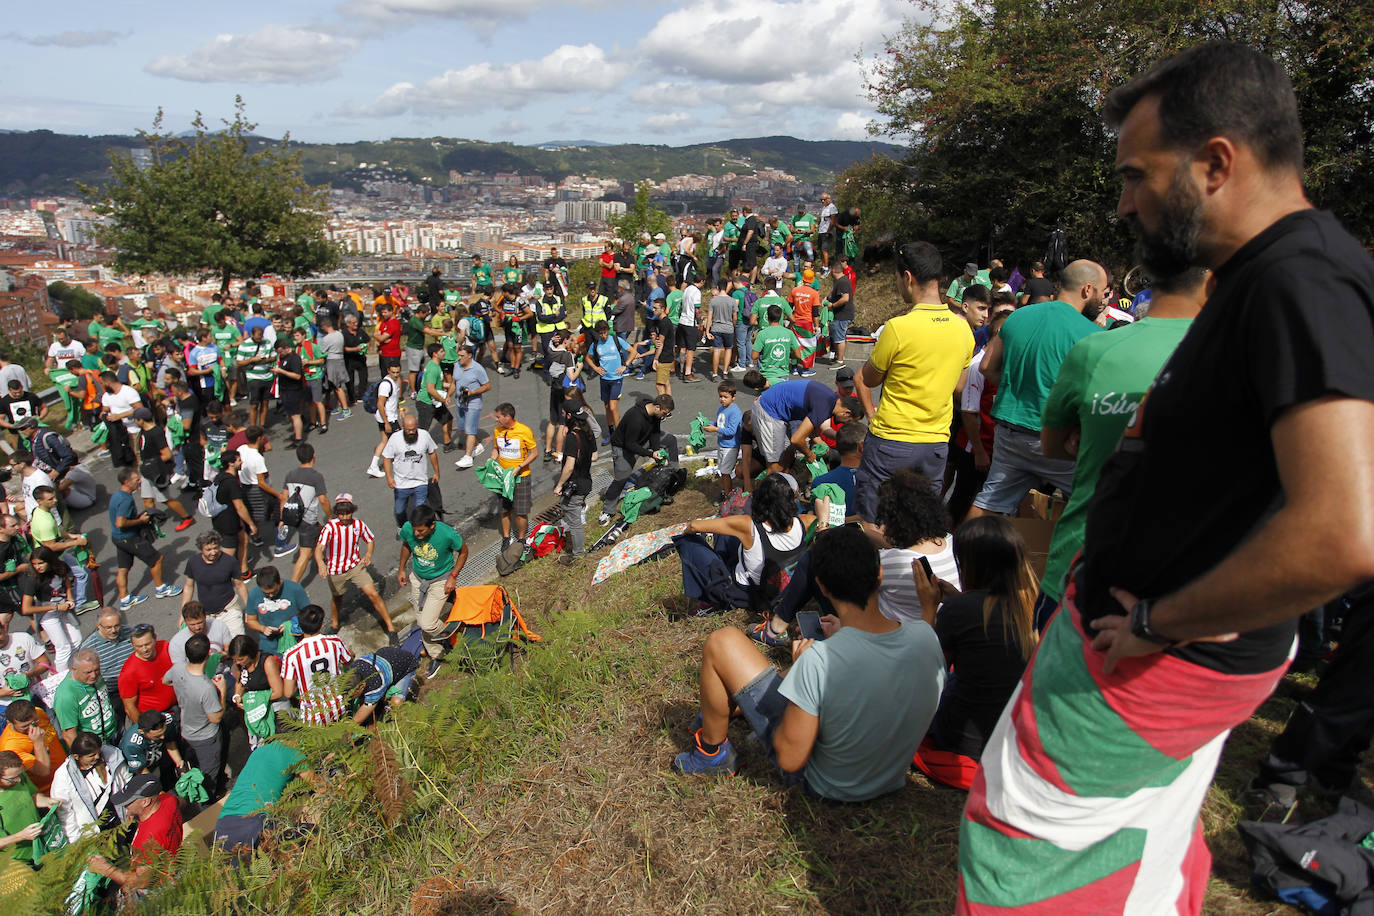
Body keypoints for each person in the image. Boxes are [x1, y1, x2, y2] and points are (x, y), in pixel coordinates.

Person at [956, 43, 1374, 915]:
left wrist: (1158, 620)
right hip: (1154, 638)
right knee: (1139, 831)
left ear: (1217, 162)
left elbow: (1342, 530)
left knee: (1025, 848)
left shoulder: (1303, 280)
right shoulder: (1263, 281)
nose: (1123, 202)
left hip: (1158, 650)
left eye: (1138, 175)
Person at [672, 524, 945, 801]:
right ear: (880, 574)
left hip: (825, 784)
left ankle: (711, 754)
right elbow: (901, 644)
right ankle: (725, 710)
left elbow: (790, 759)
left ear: (823, 588)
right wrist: (929, 608)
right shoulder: (927, 637)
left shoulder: (818, 662)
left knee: (723, 642)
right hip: (889, 778)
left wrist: (801, 672)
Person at [1035, 266, 1207, 628]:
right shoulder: (1239, 352)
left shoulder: (1095, 349)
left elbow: (1051, 445)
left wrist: (1098, 438)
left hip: (1084, 553)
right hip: (1190, 579)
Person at [966, 259, 1108, 519]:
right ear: (1087, 290)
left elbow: (986, 366)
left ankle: (961, 557)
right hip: (1055, 438)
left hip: (1009, 431)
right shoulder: (1092, 335)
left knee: (988, 503)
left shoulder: (1018, 315)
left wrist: (1017, 386)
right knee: (1095, 502)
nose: (1103, 300)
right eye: (1102, 292)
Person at [908, 516, 1038, 785]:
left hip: (965, 741)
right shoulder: (1034, 604)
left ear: (969, 565)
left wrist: (929, 608)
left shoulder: (961, 610)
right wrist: (959, 600)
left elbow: (924, 677)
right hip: (1016, 738)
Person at [852, 242, 975, 520]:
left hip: (891, 439)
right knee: (921, 518)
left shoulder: (898, 328)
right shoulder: (962, 327)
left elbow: (869, 379)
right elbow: (959, 387)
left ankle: (881, 562)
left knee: (874, 516)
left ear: (907, 277)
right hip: (935, 444)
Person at [672, 473, 810, 620]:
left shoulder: (747, 525)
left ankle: (713, 601)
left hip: (744, 595)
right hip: (777, 592)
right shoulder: (805, 522)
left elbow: (694, 526)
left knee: (688, 542)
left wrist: (686, 532)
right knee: (724, 533)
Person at [398, 505, 467, 677]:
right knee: (422, 620)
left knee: (427, 623)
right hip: (418, 578)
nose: (417, 535)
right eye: (415, 530)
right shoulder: (408, 529)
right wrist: (401, 569)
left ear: (432, 526)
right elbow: (406, 545)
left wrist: (453, 576)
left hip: (441, 579)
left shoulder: (447, 534)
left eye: (421, 531)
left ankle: (455, 638)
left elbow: (464, 552)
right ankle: (438, 654)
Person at [315, 495, 396, 640]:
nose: (344, 517)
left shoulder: (358, 524)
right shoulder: (330, 528)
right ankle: (334, 624)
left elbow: (369, 539)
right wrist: (321, 563)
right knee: (337, 597)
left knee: (373, 594)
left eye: (347, 513)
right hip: (335, 570)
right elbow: (319, 548)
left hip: (355, 566)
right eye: (341, 514)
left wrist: (369, 554)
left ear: (353, 511)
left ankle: (390, 628)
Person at [87, 773, 183, 895]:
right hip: (173, 862)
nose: (125, 804)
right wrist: (137, 814)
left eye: (130, 801)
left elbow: (141, 882)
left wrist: (105, 869)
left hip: (159, 888)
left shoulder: (147, 840)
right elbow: (180, 803)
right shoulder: (168, 800)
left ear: (146, 802)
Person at [213, 737, 309, 856]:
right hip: (254, 822)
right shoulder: (295, 753)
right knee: (310, 835)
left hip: (223, 825)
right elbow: (321, 786)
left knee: (244, 872)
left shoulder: (258, 752)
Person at [747, 378, 860, 474]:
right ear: (846, 413)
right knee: (775, 464)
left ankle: (785, 487)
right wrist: (809, 454)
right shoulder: (824, 407)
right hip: (768, 410)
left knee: (788, 453)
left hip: (779, 412)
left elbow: (812, 432)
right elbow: (797, 439)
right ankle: (769, 496)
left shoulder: (830, 399)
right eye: (848, 421)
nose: (844, 424)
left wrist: (822, 446)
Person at [163, 633, 227, 798]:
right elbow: (216, 718)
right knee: (208, 778)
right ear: (208, 655)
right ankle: (208, 804)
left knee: (195, 768)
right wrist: (222, 691)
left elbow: (165, 680)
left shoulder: (177, 668)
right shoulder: (206, 688)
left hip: (187, 731)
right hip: (206, 738)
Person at [109, 468, 180, 609]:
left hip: (117, 538)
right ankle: (161, 589)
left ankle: (125, 599)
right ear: (127, 482)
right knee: (156, 559)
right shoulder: (125, 499)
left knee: (123, 568)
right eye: (136, 480)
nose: (140, 482)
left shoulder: (117, 495)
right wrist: (140, 521)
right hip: (129, 538)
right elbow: (121, 523)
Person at [599, 394, 676, 521]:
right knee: (621, 478)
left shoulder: (655, 415)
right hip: (623, 447)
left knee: (670, 440)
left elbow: (655, 432)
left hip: (640, 440)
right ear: (657, 407)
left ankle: (672, 473)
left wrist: (656, 450)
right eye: (664, 413)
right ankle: (608, 510)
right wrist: (651, 454)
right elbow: (630, 444)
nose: (664, 417)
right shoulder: (636, 418)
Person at [48, 730, 128, 843]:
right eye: (92, 755)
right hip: (93, 835)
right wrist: (76, 842)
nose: (97, 757)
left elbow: (127, 781)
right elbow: (65, 813)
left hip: (121, 824)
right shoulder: (63, 776)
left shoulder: (112, 756)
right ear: (76, 756)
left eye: (98, 753)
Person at [281, 604, 353, 726]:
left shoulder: (291, 654)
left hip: (313, 714)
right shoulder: (335, 642)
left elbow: (288, 692)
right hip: (340, 706)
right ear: (321, 624)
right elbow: (348, 661)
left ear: (301, 627)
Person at [18, 546, 81, 673]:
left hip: (64, 610)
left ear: (50, 561)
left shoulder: (61, 567)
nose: (37, 567)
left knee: (77, 640)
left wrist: (70, 598)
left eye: (41, 563)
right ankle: (60, 679)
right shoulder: (33, 579)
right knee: (63, 647)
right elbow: (26, 609)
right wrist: (54, 606)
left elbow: (66, 580)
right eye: (34, 564)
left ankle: (57, 670)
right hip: (47, 615)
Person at [131, 407, 195, 530]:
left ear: (141, 420)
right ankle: (152, 521)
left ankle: (187, 517)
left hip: (156, 472)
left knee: (165, 499)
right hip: (147, 471)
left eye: (135, 419)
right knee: (147, 498)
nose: (134, 422)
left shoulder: (156, 433)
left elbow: (167, 454)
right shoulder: (143, 431)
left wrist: (151, 464)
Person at [552, 402, 595, 567]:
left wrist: (559, 485)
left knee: (575, 523)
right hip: (586, 480)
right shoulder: (587, 433)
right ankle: (578, 551)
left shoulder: (572, 437)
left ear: (570, 416)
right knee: (575, 518)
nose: (563, 416)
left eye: (564, 413)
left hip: (575, 485)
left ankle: (578, 556)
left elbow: (569, 467)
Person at [281, 444, 332, 583]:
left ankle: (325, 558)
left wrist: (282, 518)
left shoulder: (290, 474)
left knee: (321, 531)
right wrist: (330, 516)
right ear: (314, 455)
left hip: (293, 516)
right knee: (305, 553)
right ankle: (293, 585)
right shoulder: (316, 476)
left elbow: (284, 497)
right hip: (307, 519)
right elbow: (323, 500)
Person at [492, 403, 538, 550]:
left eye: (499, 417)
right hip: (503, 477)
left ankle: (521, 538)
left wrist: (519, 467)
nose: (496, 419)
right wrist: (491, 459)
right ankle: (506, 538)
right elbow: (496, 449)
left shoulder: (524, 431)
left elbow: (534, 453)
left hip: (521, 477)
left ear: (508, 417)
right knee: (504, 510)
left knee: (520, 512)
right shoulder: (497, 431)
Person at [383, 414, 441, 529]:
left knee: (419, 511)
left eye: (414, 429)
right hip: (401, 483)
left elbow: (432, 453)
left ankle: (418, 531)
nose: (411, 432)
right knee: (399, 511)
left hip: (420, 482)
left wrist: (437, 472)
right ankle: (401, 527)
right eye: (408, 430)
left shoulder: (424, 435)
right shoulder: (395, 438)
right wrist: (389, 478)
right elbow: (386, 458)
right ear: (403, 427)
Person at [79, 612, 134, 731]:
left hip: (133, 686)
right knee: (117, 729)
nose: (114, 630)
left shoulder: (130, 633)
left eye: (117, 626)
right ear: (98, 626)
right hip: (111, 693)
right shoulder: (89, 648)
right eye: (108, 627)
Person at [52, 649, 117, 745]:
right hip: (93, 745)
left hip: (112, 733)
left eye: (96, 670)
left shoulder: (94, 678)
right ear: (74, 669)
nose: (93, 675)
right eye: (88, 672)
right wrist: (84, 756)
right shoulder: (65, 696)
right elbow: (69, 735)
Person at [243, 566, 310, 656]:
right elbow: (251, 620)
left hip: (295, 642)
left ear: (280, 582)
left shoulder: (294, 589)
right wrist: (263, 628)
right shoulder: (254, 594)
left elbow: (309, 613)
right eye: (266, 593)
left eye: (274, 592)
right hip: (269, 647)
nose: (270, 596)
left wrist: (291, 624)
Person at [0, 700, 64, 793]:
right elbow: (43, 771)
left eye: (34, 722)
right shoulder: (11, 747)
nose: (32, 728)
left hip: (67, 772)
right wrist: (38, 743)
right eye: (24, 726)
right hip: (50, 789)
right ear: (10, 723)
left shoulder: (38, 712)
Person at [345, 647, 419, 725]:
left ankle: (395, 724)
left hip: (405, 664)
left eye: (351, 695)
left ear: (361, 687)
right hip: (386, 656)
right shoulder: (351, 671)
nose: (348, 697)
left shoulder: (376, 683)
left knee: (396, 702)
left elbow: (364, 711)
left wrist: (349, 728)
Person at [451, 345, 491, 470]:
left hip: (473, 403)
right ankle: (478, 445)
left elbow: (487, 386)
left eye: (462, 355)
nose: (459, 358)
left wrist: (473, 392)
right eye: (459, 355)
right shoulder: (457, 366)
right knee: (462, 428)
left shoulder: (477, 369)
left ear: (469, 355)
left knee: (470, 430)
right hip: (460, 402)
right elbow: (454, 383)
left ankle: (468, 457)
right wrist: (448, 396)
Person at [365, 361, 404, 479]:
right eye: (393, 372)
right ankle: (399, 463)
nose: (396, 374)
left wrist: (399, 409)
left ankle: (373, 466)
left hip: (388, 417)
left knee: (384, 441)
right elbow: (380, 404)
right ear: (388, 371)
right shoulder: (386, 385)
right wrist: (387, 422)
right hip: (387, 418)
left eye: (397, 372)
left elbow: (393, 400)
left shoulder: (395, 382)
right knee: (400, 440)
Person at [704, 380, 743, 497]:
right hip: (722, 445)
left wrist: (715, 429)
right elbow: (720, 423)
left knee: (725, 472)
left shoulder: (735, 411)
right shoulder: (722, 408)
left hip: (730, 446)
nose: (722, 399)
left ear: (733, 397)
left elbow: (731, 431)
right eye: (720, 396)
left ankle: (727, 495)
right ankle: (725, 491)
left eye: (725, 397)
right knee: (723, 471)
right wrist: (707, 423)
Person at [751, 304, 805, 386]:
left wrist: (765, 352)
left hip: (766, 374)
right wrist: (788, 355)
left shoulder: (762, 334)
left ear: (767, 317)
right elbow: (798, 355)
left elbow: (754, 356)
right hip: (783, 373)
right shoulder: (789, 333)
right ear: (781, 317)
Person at [168, 601, 232, 667]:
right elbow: (179, 669)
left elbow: (229, 650)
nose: (197, 627)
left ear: (205, 617)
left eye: (200, 623)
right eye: (192, 624)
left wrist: (223, 656)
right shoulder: (176, 643)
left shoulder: (219, 625)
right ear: (185, 621)